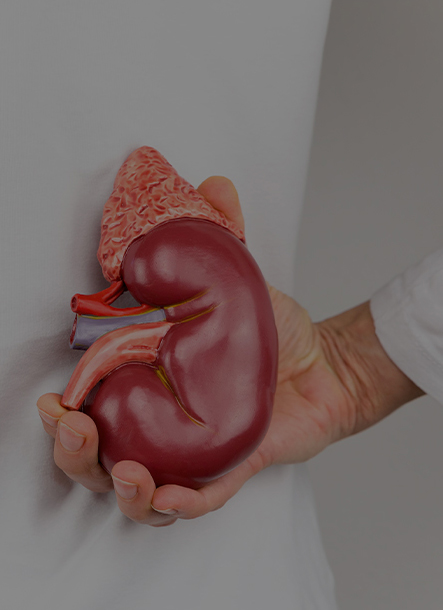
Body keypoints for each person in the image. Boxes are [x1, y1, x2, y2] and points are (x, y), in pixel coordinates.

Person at [1, 1, 436, 609]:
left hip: (201, 571)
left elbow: (117, 339)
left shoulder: (166, 266)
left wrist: (364, 361)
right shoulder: (172, 266)